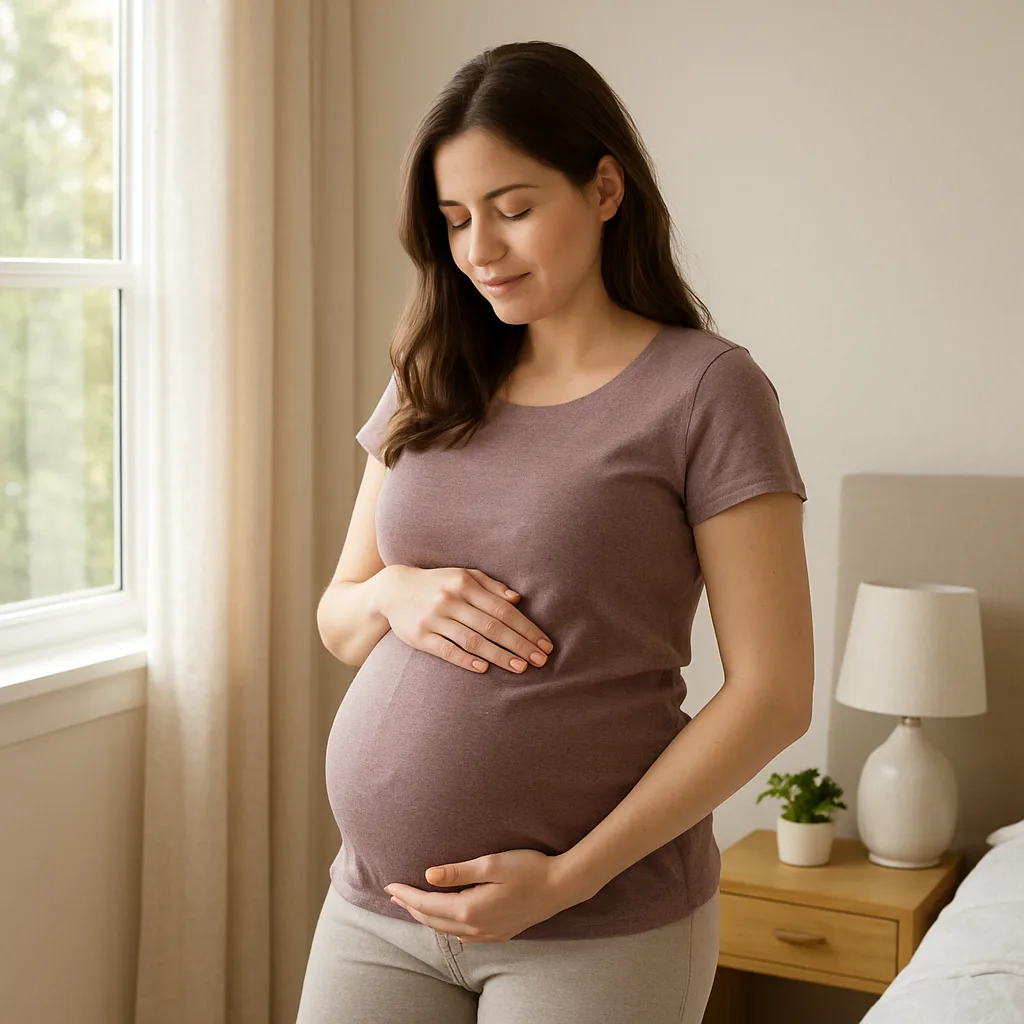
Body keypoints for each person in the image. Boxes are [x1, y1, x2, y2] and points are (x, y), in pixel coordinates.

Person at [297, 39, 812, 1024]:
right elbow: (338, 617)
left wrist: (568, 877)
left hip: (593, 926)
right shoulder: (431, 368)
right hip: (375, 909)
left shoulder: (708, 391)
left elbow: (772, 694)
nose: (480, 250)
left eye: (514, 208)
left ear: (605, 188)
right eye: (454, 221)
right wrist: (390, 592)